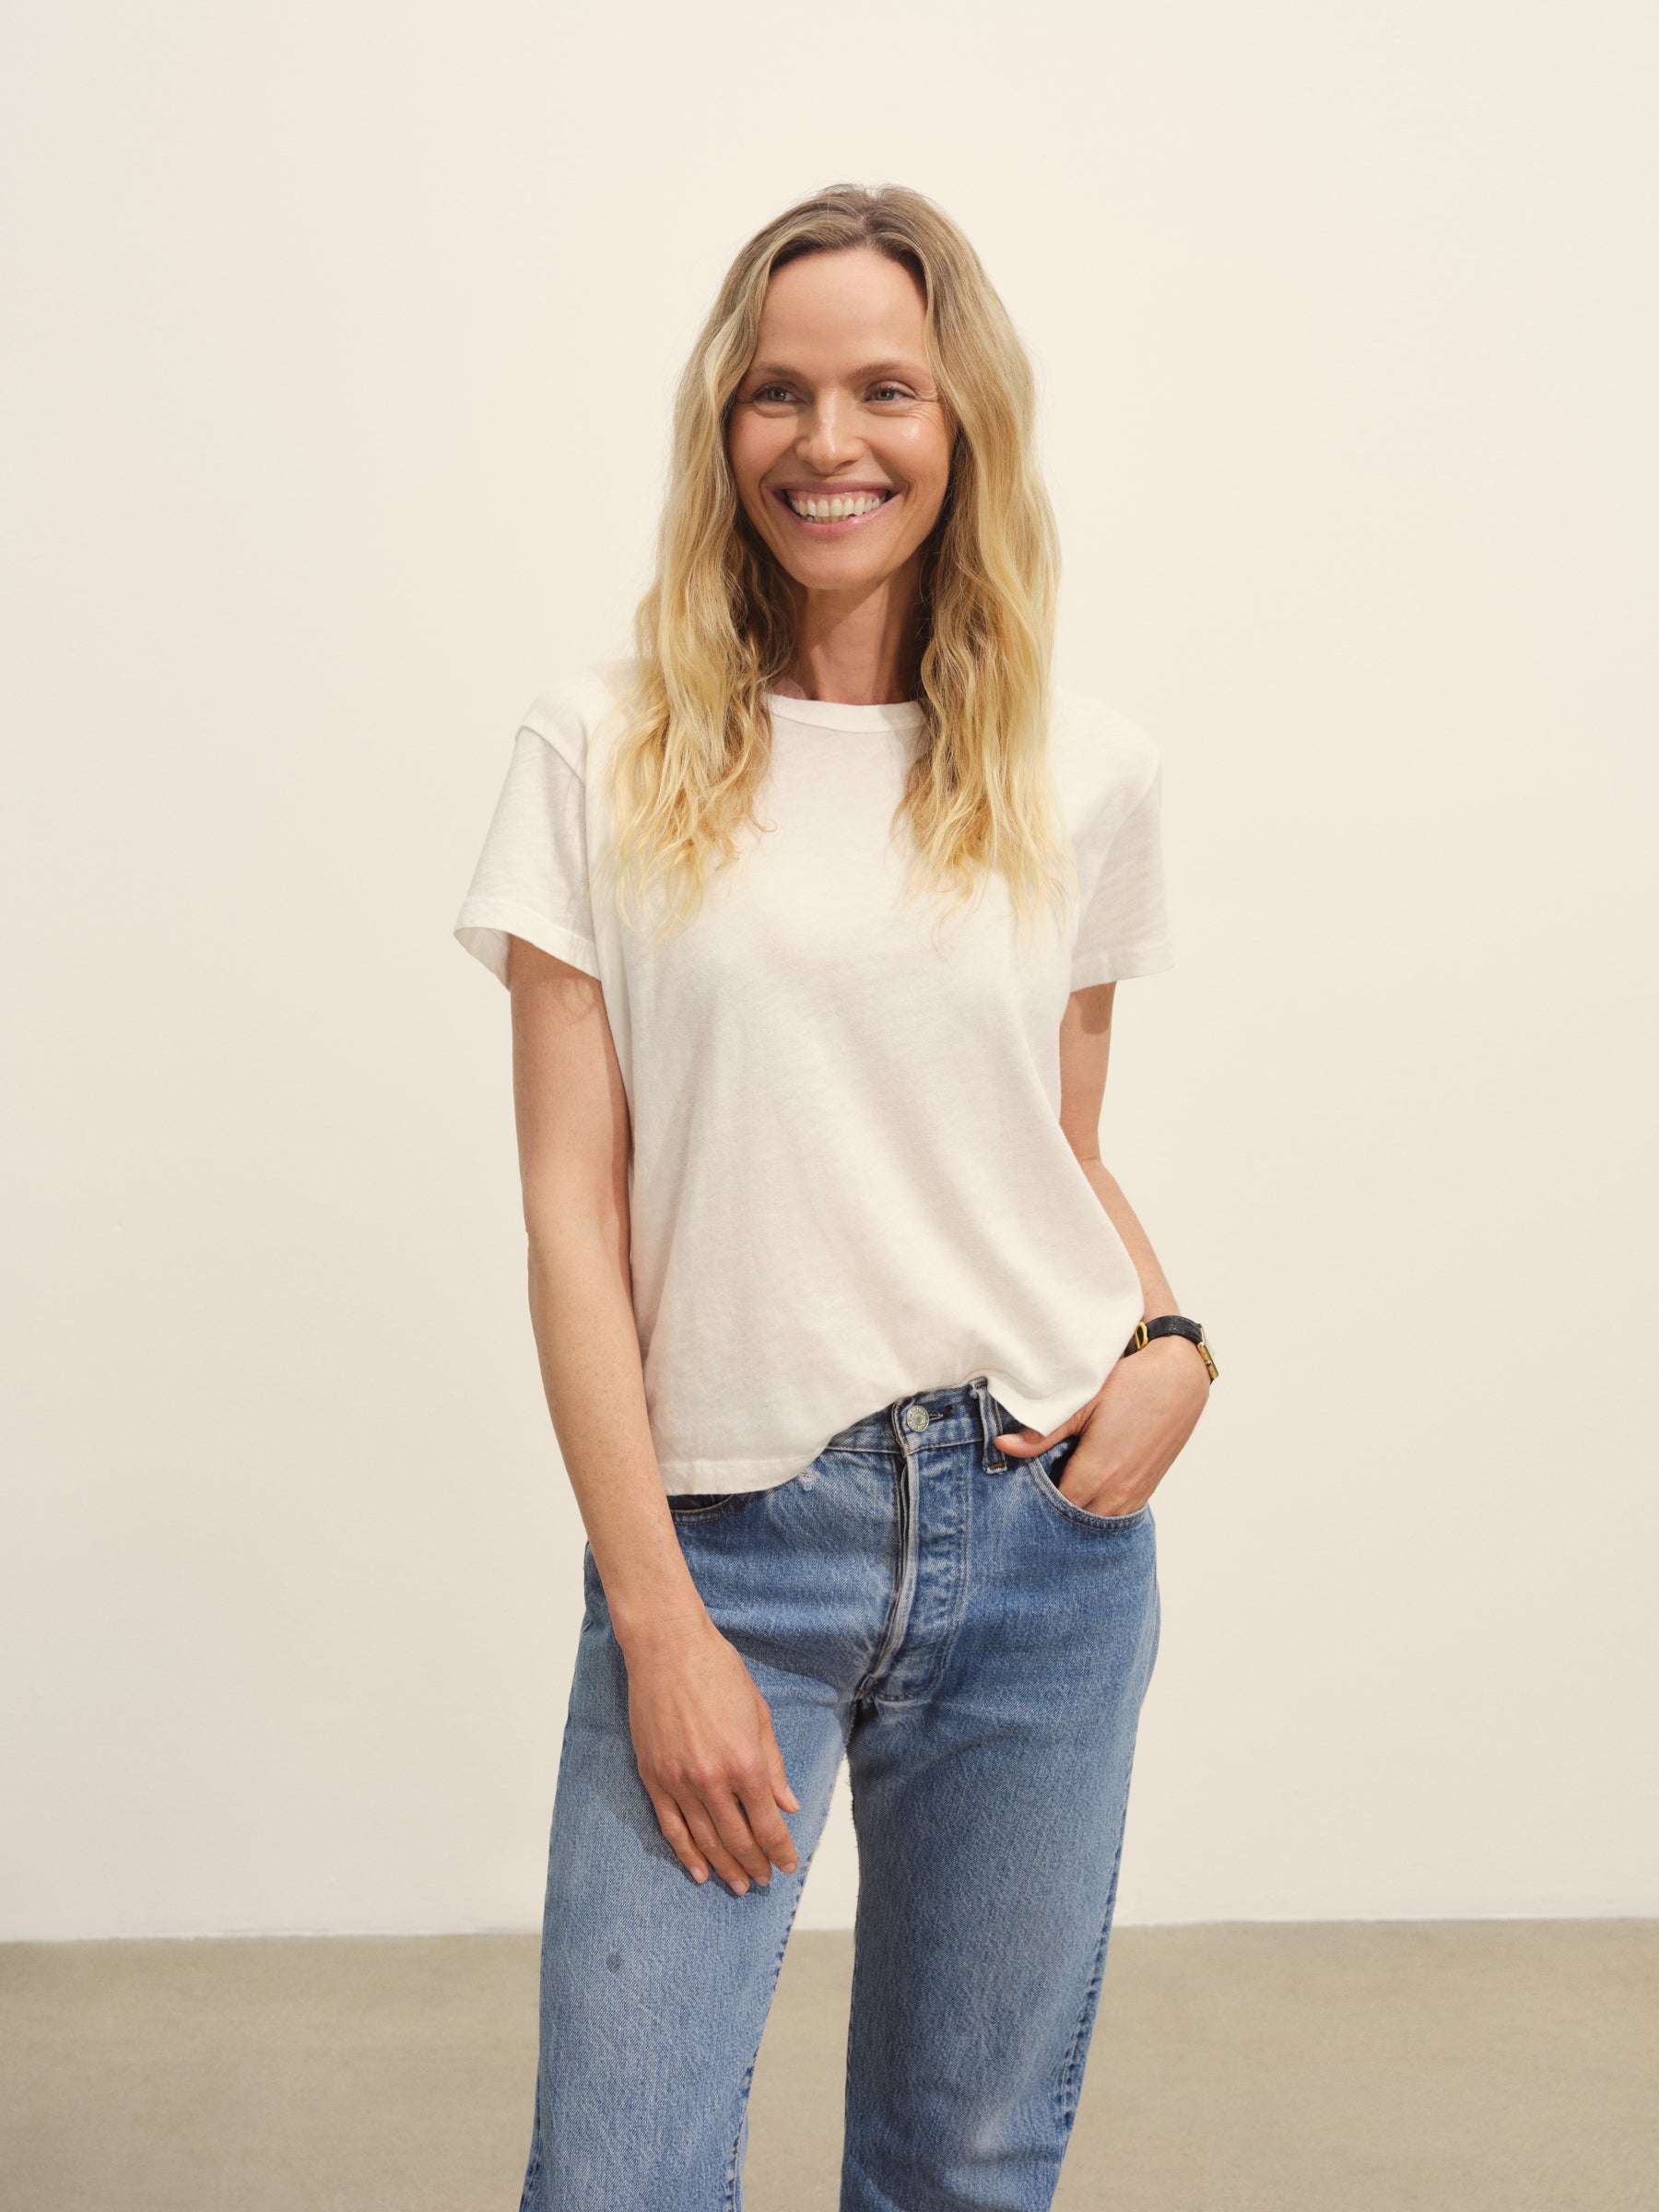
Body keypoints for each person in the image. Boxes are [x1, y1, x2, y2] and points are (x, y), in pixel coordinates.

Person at [453, 180, 1217, 2212]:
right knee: (617, 2180)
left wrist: (1169, 1341)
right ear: (725, 428)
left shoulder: (1082, 770)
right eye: (777, 393)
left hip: (1043, 1538)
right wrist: (657, 1618)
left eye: (886, 389)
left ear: (964, 427)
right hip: (729, 1544)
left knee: (964, 2163)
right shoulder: (600, 750)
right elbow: (570, 1217)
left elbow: (1054, 1143)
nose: (829, 441)